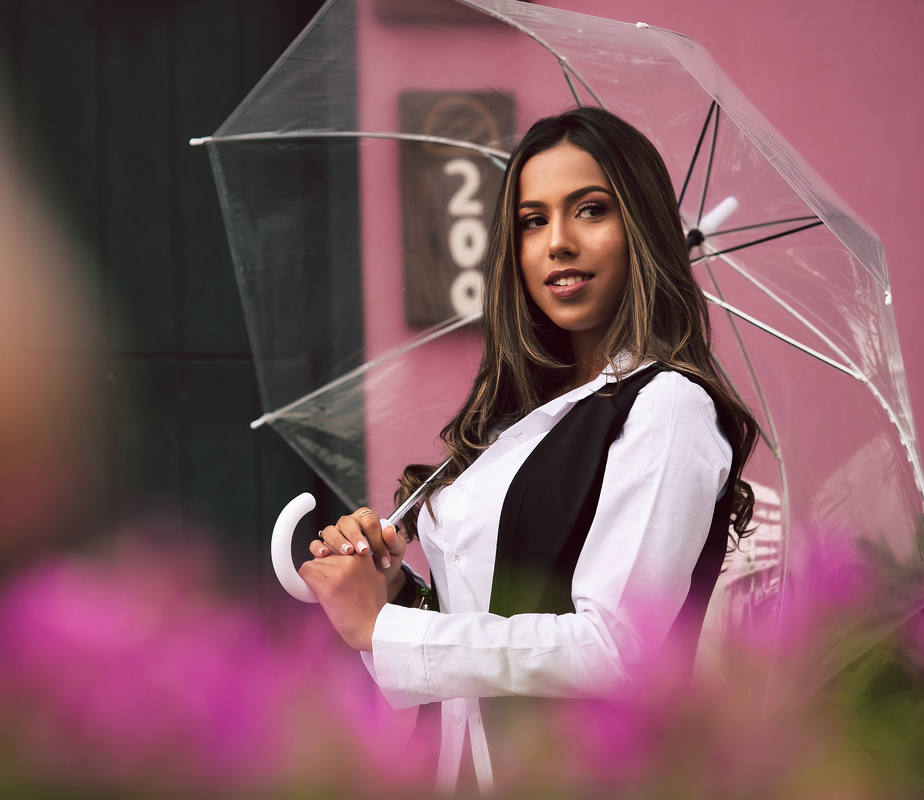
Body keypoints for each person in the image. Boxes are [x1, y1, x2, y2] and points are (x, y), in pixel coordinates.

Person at [297, 106, 760, 793]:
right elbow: (491, 619)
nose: (558, 243)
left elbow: (616, 650)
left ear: (644, 234)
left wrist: (384, 632)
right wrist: (396, 593)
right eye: (533, 220)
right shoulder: (526, 419)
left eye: (592, 210)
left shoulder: (667, 407)